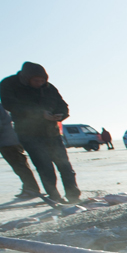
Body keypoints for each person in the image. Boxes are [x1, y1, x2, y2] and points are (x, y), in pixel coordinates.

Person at [0, 62, 81, 203]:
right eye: (36, 81)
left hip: (52, 132)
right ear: (26, 78)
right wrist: (39, 114)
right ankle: (55, 197)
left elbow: (63, 105)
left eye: (42, 80)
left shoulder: (49, 88)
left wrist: (59, 115)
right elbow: (10, 105)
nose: (40, 83)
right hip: (29, 134)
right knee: (45, 167)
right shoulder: (9, 84)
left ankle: (73, 196)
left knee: (65, 166)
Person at [0, 104, 41, 200]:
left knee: (20, 166)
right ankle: (29, 188)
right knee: (20, 166)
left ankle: (31, 189)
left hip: (8, 142)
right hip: (11, 140)